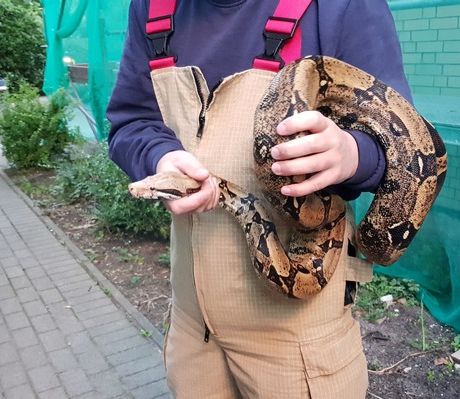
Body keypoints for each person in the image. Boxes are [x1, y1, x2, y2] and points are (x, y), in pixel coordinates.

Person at [107, 0, 412, 397]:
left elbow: (406, 142)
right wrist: (160, 157)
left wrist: (354, 155)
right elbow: (132, 120)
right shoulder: (151, 7)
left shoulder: (344, 7)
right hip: (191, 329)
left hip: (297, 345)